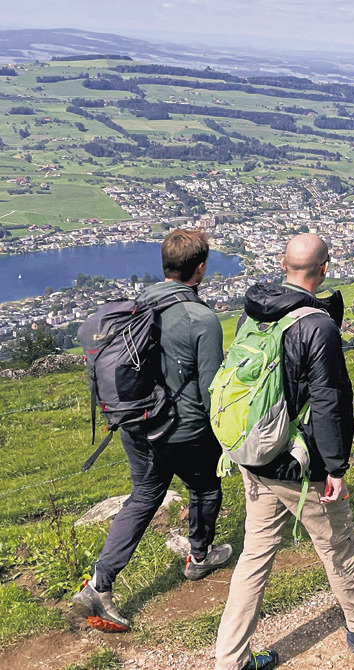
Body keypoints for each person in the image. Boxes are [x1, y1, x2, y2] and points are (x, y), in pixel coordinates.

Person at [214, 234, 354, 670]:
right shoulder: (316, 325)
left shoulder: (256, 311)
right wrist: (336, 469)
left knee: (254, 557)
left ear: (283, 264)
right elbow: (329, 402)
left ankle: (230, 660)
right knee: (337, 545)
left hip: (256, 453)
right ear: (325, 269)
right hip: (297, 463)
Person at [74, 229, 230, 633]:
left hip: (136, 423)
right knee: (206, 488)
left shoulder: (136, 306)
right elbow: (212, 387)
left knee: (143, 496)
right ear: (200, 269)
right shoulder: (202, 319)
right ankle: (199, 557)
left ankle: (100, 584)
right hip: (183, 428)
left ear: (164, 265)